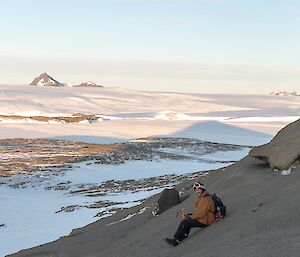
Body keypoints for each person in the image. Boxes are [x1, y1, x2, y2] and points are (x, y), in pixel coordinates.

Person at [165, 182, 215, 246]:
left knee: (185, 222)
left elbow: (202, 213)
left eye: (198, 189)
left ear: (202, 189)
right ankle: (183, 235)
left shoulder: (205, 199)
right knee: (187, 221)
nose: (197, 191)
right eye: (195, 190)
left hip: (206, 220)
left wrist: (191, 217)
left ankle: (176, 240)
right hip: (205, 218)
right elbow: (199, 211)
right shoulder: (202, 198)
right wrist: (191, 215)